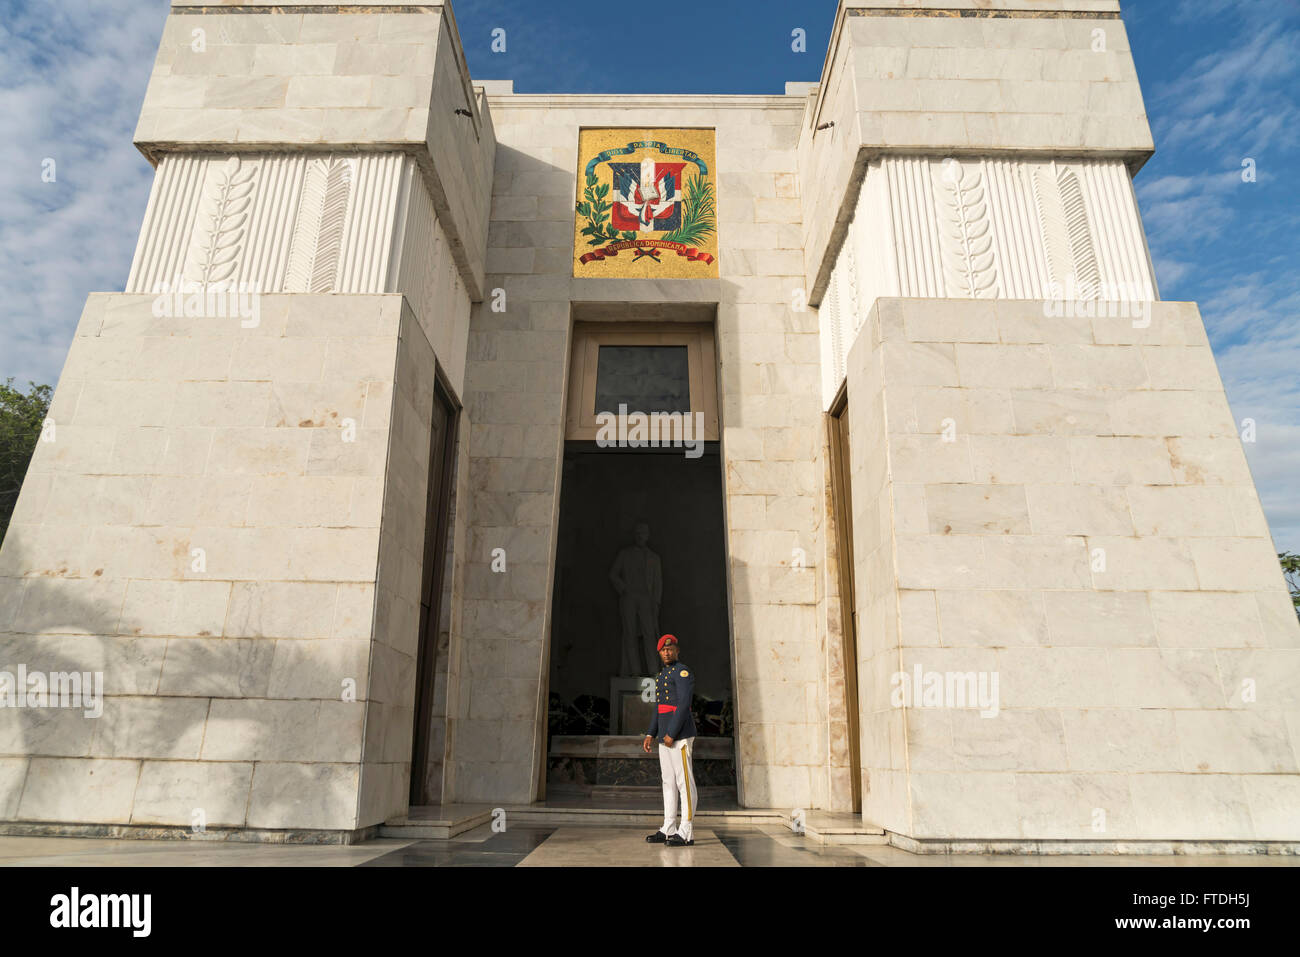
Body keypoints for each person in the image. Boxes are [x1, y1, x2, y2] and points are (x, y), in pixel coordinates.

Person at [642, 634, 698, 847]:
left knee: (685, 782)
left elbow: (684, 705)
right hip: (664, 736)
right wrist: (650, 733)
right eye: (663, 650)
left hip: (679, 735)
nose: (667, 652)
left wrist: (672, 734)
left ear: (677, 650)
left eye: (670, 649)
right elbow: (659, 708)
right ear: (659, 653)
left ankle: (686, 832)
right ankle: (668, 827)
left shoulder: (682, 672)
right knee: (668, 782)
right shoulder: (662, 674)